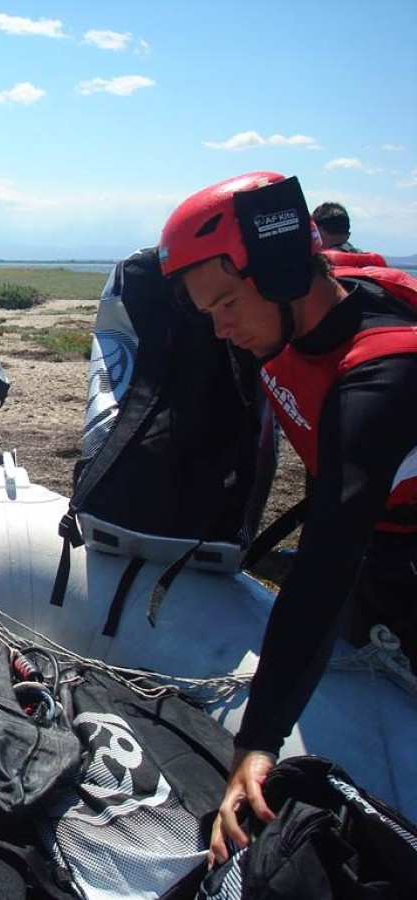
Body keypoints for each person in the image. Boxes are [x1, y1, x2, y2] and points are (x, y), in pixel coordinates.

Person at [157, 171, 417, 865]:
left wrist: (257, 742)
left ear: (277, 271)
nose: (220, 328)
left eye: (227, 303)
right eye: (208, 311)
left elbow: (326, 562)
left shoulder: (383, 375)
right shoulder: (300, 319)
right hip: (384, 536)